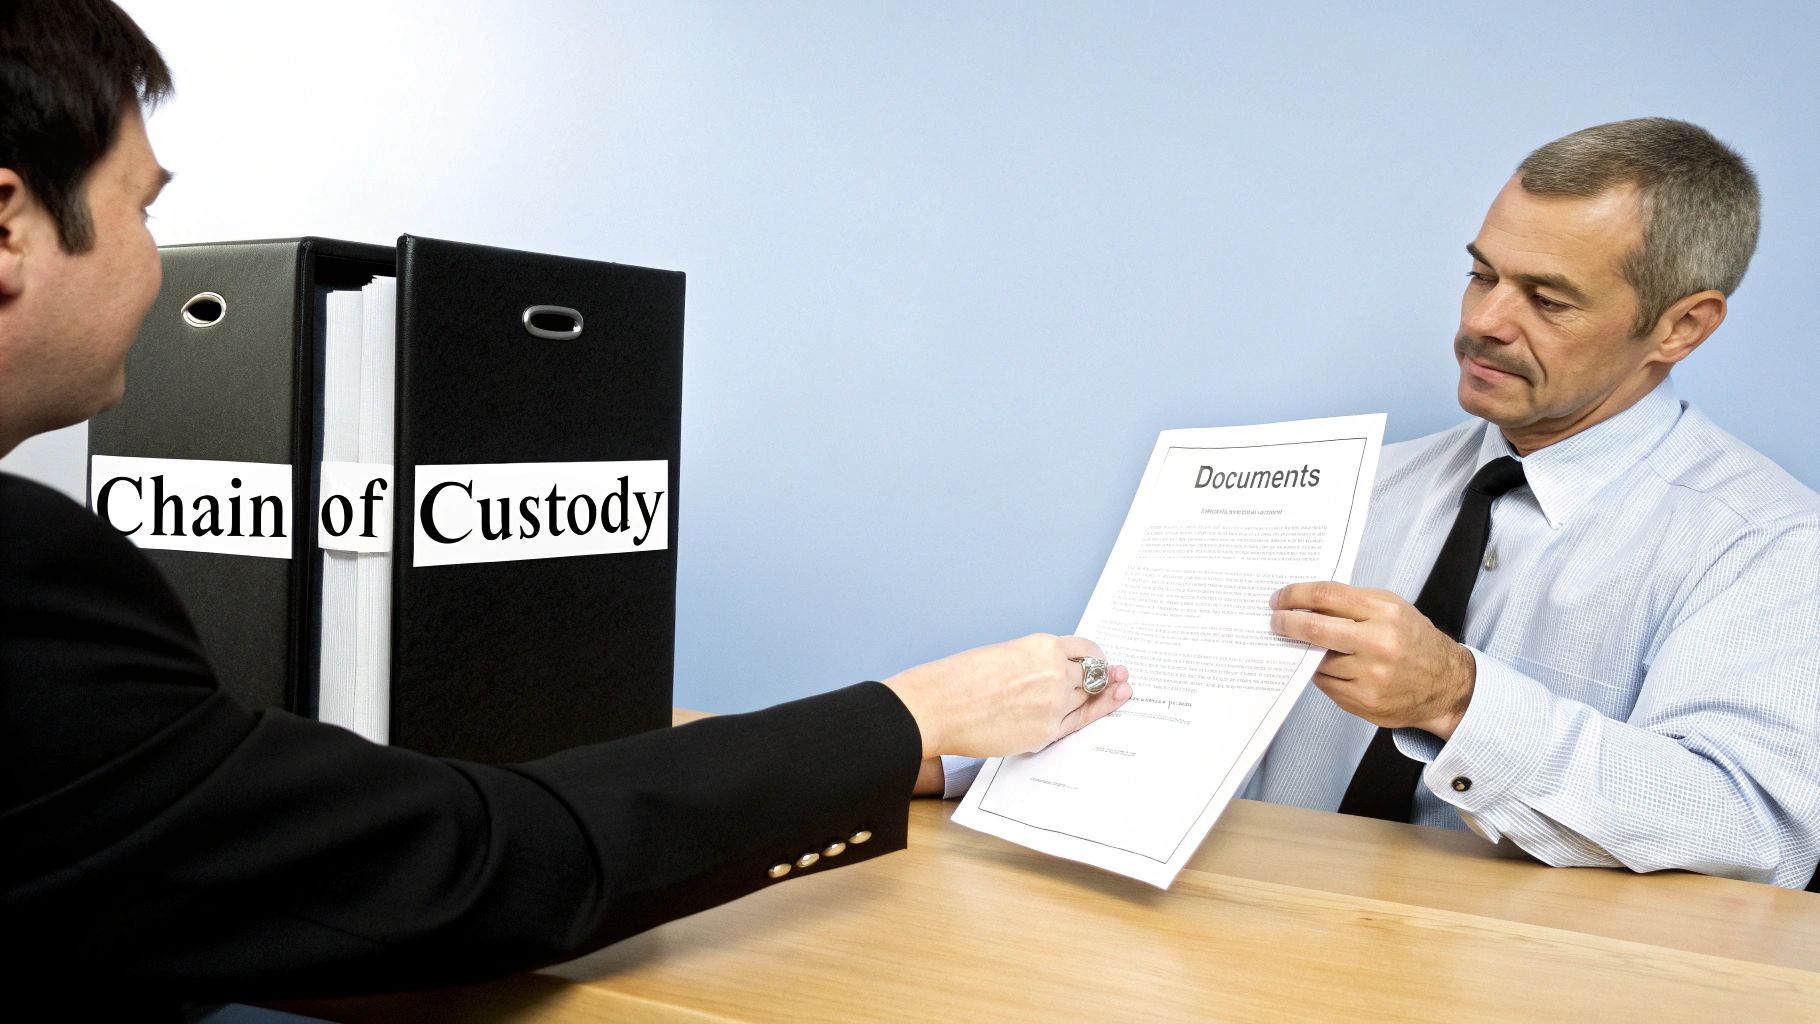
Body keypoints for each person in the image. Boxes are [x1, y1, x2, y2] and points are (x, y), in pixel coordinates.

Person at [0, 1, 1131, 1015]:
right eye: (140, 209)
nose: (158, 264)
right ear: (8, 223)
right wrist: (912, 710)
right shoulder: (29, 571)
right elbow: (479, 864)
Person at [1255, 118, 1820, 888]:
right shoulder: (1349, 489)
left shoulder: (1768, 545)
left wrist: (1459, 698)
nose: (1483, 323)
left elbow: (1752, 830)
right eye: (1482, 275)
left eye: (1548, 300)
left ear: (1681, 327)